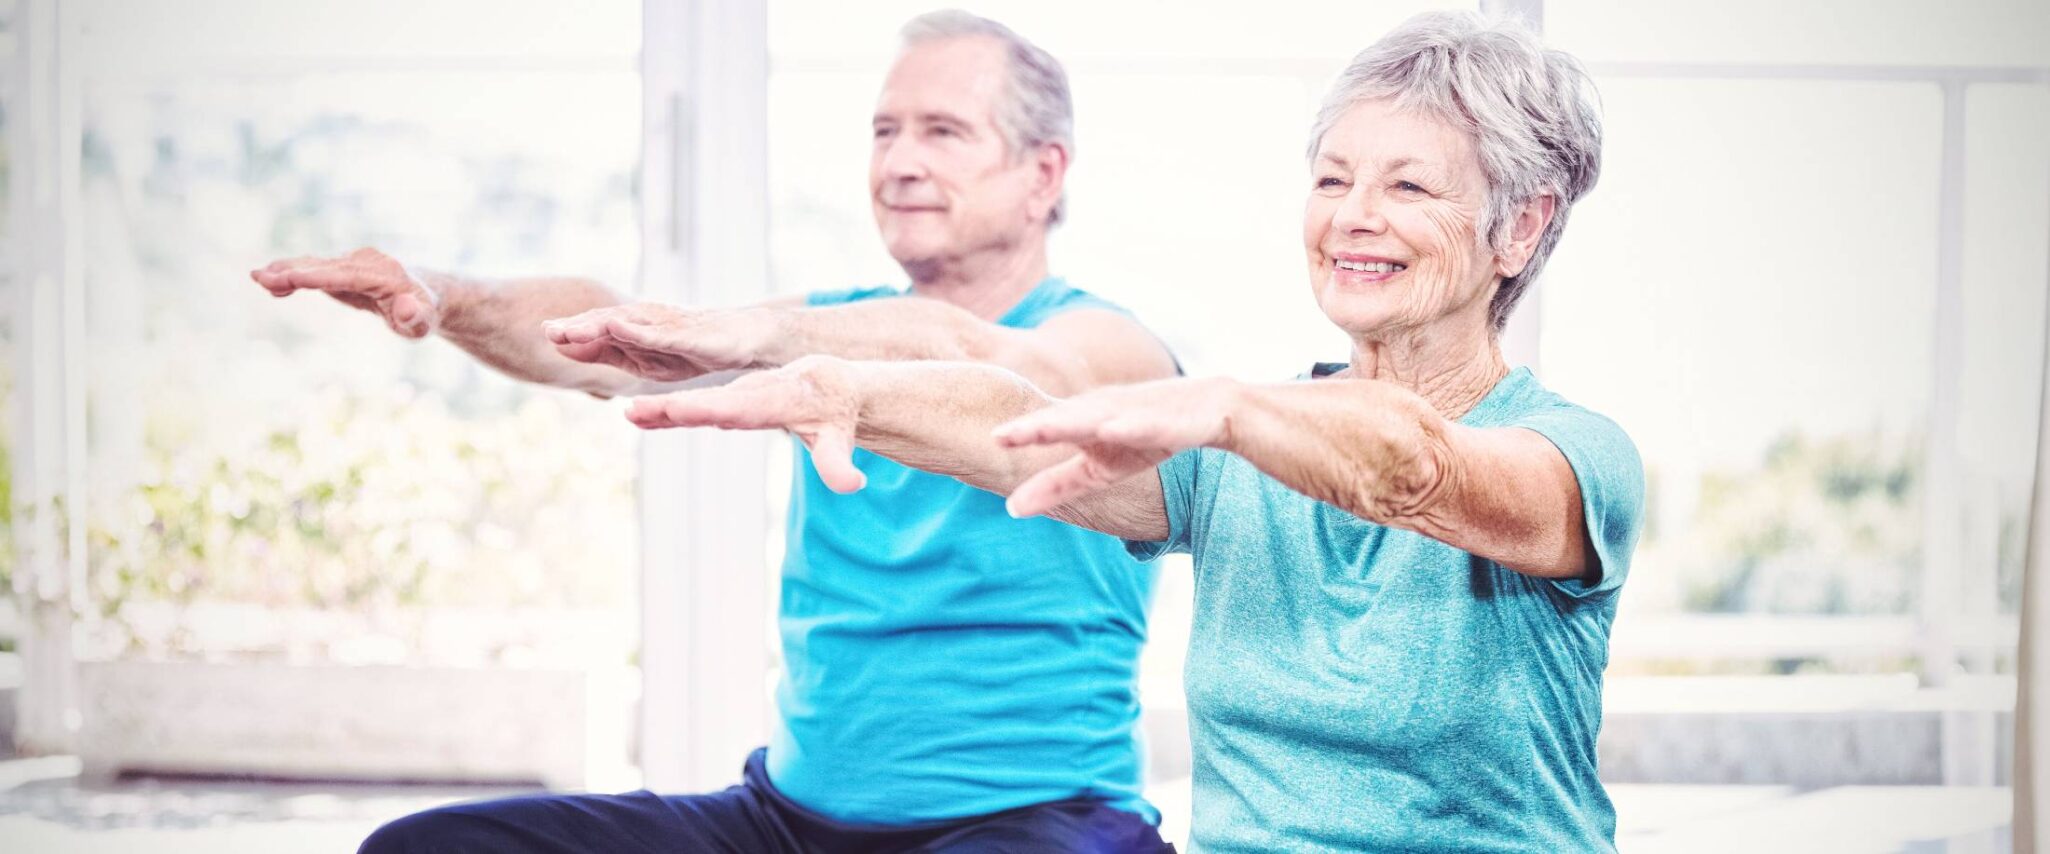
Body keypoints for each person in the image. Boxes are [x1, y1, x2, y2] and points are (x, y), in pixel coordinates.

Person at [623, 11, 1644, 853]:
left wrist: (1232, 408)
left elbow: (1418, 467)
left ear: (1518, 227)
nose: (1351, 217)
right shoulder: (1232, 453)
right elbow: (1017, 419)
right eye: (1332, 179)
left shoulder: (1571, 458)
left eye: (1407, 186)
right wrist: (855, 388)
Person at [255, 11, 1178, 854]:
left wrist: (768, 336)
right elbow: (611, 340)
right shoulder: (832, 319)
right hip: (783, 822)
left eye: (943, 132)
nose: (899, 161)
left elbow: (1012, 368)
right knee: (427, 850)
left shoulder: (1103, 341)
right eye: (885, 131)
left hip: (1043, 826)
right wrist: (448, 296)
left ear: (1042, 174)